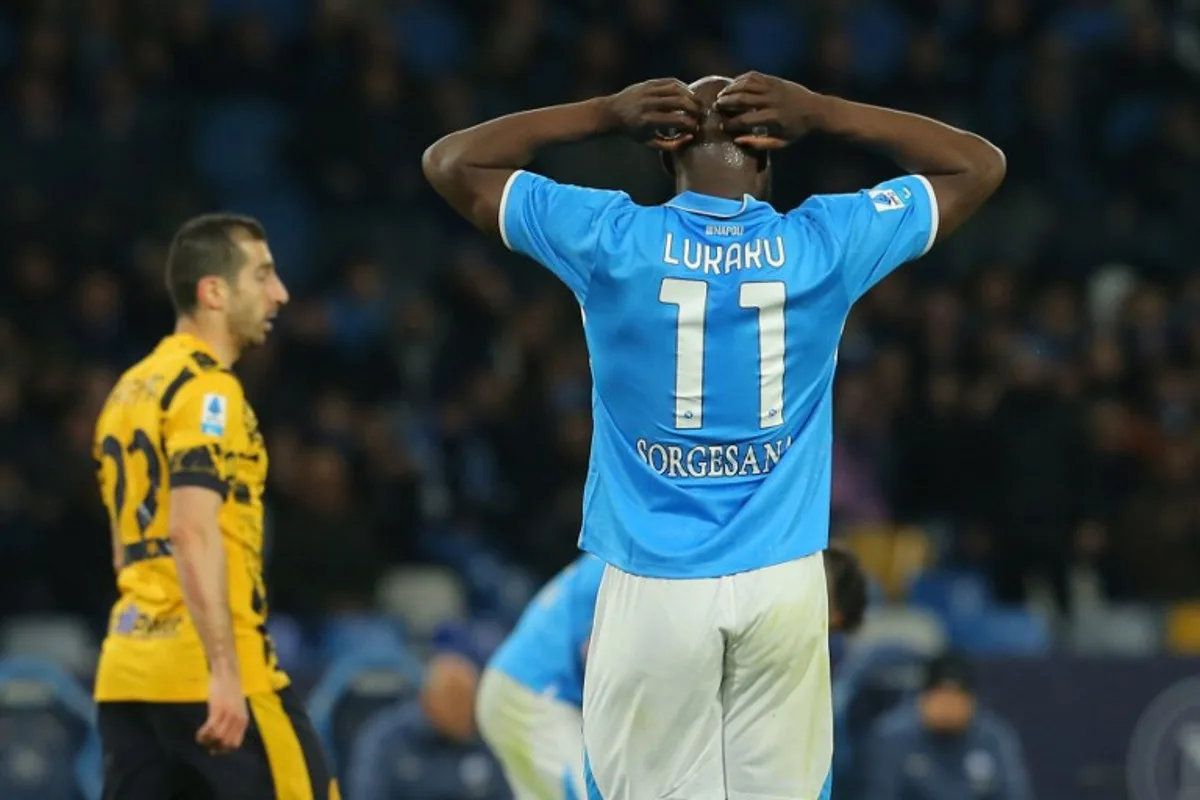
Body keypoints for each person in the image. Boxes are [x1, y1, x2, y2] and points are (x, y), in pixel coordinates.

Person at [423, 71, 1004, 798]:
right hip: (782, 577)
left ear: (666, 153)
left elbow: (451, 162)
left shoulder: (611, 238)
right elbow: (978, 164)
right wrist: (825, 112)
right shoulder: (824, 241)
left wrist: (601, 112)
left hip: (652, 580)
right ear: (768, 155)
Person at [92, 214, 338, 799]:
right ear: (214, 292)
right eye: (263, 275)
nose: (279, 293)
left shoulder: (126, 391)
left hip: (128, 673)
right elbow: (191, 530)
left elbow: (125, 550)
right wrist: (224, 672)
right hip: (216, 680)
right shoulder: (209, 392)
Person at [476, 547, 869, 799]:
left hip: (543, 694)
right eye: (825, 627)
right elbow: (601, 653)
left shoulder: (704, 554)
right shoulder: (671, 568)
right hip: (533, 697)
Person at [346, 629, 511, 800]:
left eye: (469, 700)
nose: (463, 710)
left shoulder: (488, 739)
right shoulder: (386, 739)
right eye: (454, 700)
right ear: (428, 700)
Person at [862, 653, 1035, 800]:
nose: (948, 706)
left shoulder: (994, 737)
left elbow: (1015, 794)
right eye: (941, 696)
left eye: (956, 697)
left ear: (972, 702)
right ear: (923, 698)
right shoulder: (892, 737)